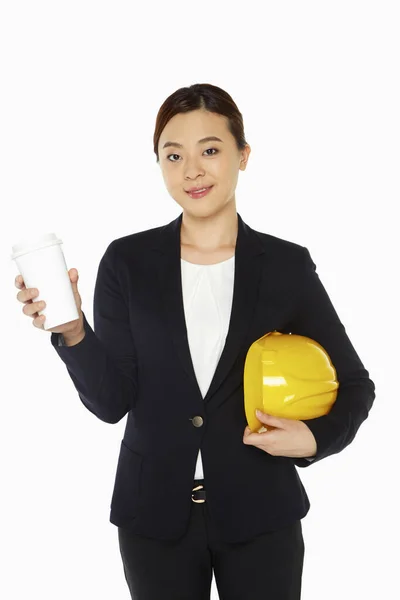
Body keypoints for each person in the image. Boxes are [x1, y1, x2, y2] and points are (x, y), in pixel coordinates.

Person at [14, 83, 375, 600]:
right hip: (153, 519)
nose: (192, 171)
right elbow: (112, 402)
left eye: (210, 150)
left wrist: (317, 438)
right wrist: (74, 332)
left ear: (242, 156)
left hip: (261, 515)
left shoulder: (285, 266)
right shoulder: (127, 262)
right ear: (159, 163)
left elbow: (356, 383)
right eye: (173, 155)